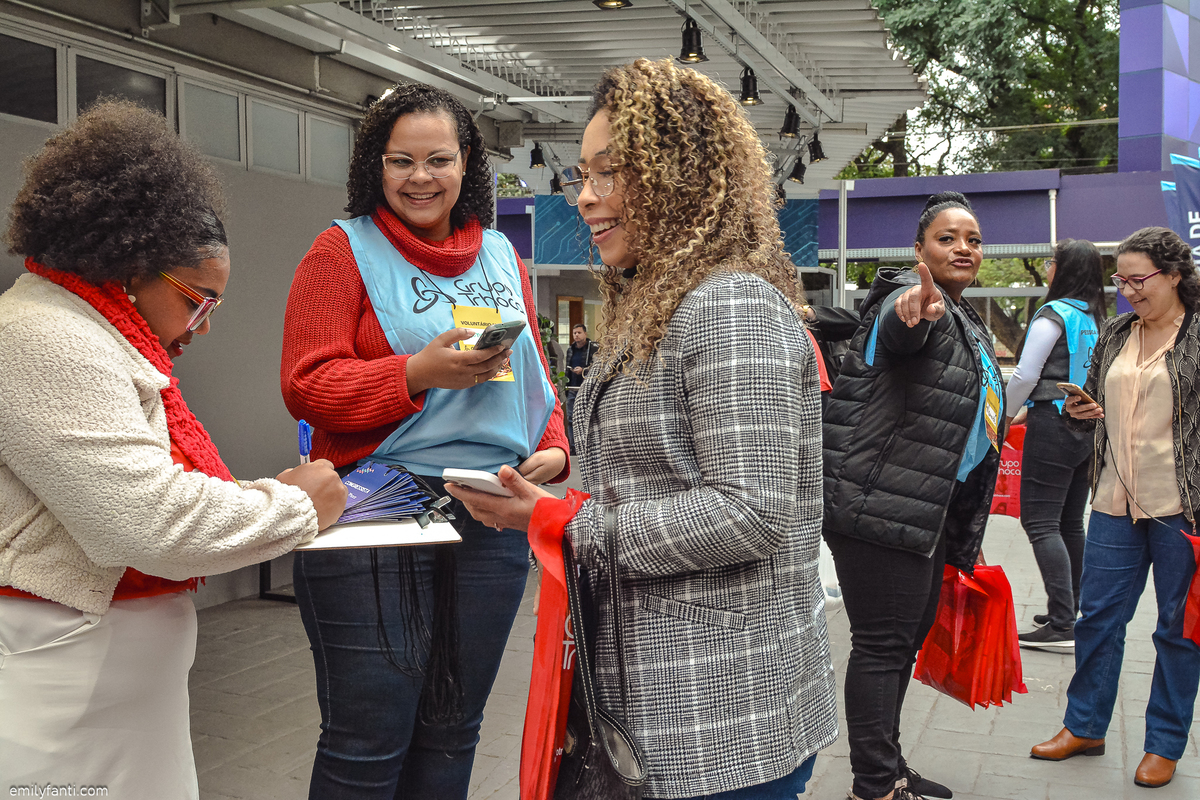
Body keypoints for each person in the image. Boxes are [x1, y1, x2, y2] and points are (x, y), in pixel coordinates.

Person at [445, 57, 838, 800]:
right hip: (664, 707)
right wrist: (563, 472)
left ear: (681, 176)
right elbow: (664, 467)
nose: (586, 197)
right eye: (581, 175)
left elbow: (747, 513)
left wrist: (563, 524)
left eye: (610, 172)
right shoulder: (663, 301)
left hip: (720, 723)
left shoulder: (728, 308)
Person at [0, 100, 347, 798]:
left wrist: (261, 502)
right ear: (133, 264)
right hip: (62, 701)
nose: (203, 326)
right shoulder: (41, 336)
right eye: (200, 300)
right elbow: (144, 522)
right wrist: (293, 507)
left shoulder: (86, 333)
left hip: (105, 698)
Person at [280, 83, 568, 799]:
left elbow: (533, 374)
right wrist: (413, 372)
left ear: (467, 163)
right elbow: (305, 385)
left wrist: (556, 445)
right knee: (368, 738)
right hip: (381, 501)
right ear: (375, 167)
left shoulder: (503, 255)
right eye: (400, 160)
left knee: (453, 728)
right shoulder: (341, 251)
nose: (419, 178)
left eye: (437, 159)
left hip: (493, 509)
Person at [822, 191, 1002, 800]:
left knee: (902, 642)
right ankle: (874, 783)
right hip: (880, 504)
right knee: (882, 645)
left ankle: (889, 766)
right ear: (919, 249)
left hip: (921, 507)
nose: (963, 248)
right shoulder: (911, 299)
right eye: (947, 237)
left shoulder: (961, 315)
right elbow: (903, 333)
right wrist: (910, 312)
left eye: (972, 239)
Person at [1030, 227, 1200, 790]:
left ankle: (1164, 743)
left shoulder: (1196, 335)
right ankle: (1085, 726)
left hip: (1181, 509)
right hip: (1111, 501)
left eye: (1139, 278)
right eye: (1120, 279)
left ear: (1174, 275)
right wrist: (1088, 411)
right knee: (1098, 618)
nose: (1127, 290)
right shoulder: (1116, 333)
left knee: (1177, 629)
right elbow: (1105, 400)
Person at [1004, 239, 1105, 649]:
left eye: (1051, 261)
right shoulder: (1093, 316)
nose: (1047, 267)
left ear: (1063, 269)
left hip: (1053, 426)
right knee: (1068, 522)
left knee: (1040, 522)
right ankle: (1070, 610)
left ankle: (1062, 623)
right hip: (1085, 425)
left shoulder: (1054, 314)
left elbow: (1026, 374)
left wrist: (1004, 414)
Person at [564, 322, 599, 452]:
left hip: (586, 387)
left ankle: (586, 445)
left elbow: (597, 367)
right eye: (575, 333)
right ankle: (573, 446)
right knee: (571, 418)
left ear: (585, 333)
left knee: (586, 417)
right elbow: (566, 368)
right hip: (572, 387)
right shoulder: (570, 349)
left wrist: (583, 370)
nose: (577, 335)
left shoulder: (593, 348)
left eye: (579, 332)